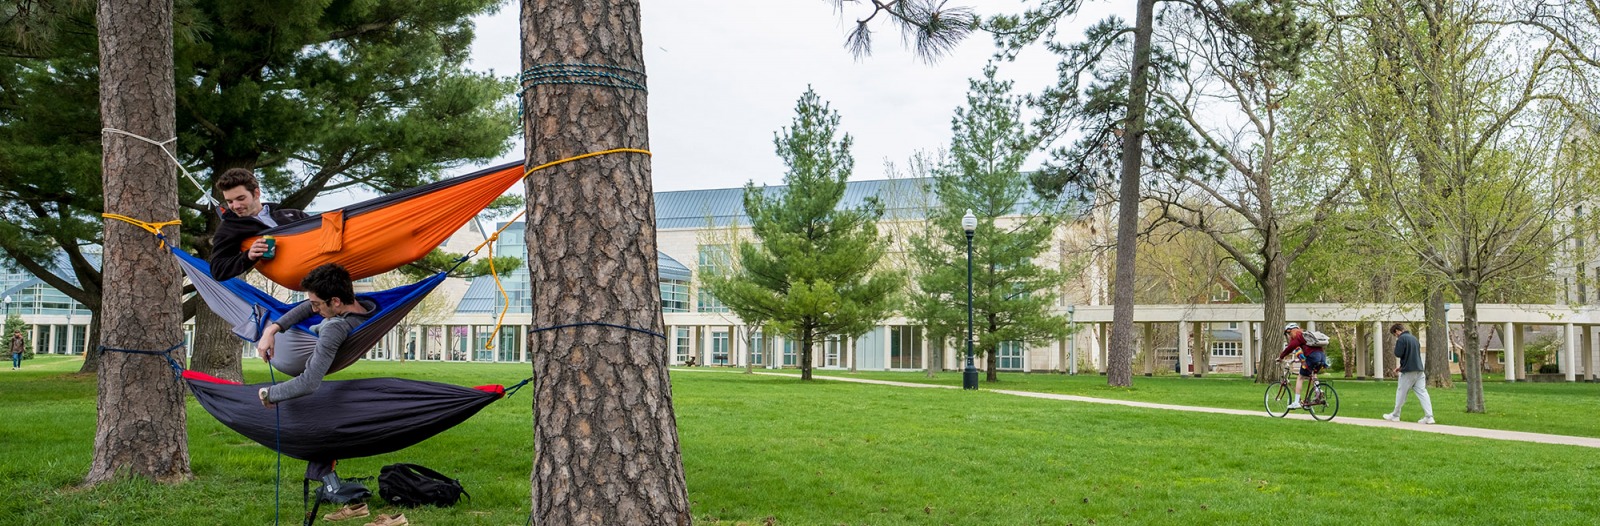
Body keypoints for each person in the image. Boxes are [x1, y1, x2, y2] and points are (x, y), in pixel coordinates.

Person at [255, 263, 373, 408]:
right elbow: (307, 307)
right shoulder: (366, 306)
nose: (314, 310)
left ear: (335, 301)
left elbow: (309, 383)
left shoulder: (334, 329)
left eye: (316, 304)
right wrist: (271, 330)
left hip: (300, 356)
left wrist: (270, 394)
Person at [209, 168, 309, 281]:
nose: (235, 206)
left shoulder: (291, 213)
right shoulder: (229, 228)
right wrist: (248, 256)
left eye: (240, 198)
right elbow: (218, 270)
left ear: (256, 193)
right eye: (230, 202)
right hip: (292, 276)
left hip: (319, 264)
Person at [1384, 323, 1436, 424]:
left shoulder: (1401, 339)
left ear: (1397, 331)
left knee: (1401, 393)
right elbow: (1412, 356)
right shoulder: (1414, 339)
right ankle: (1429, 417)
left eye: (1395, 334)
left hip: (1408, 372)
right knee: (1422, 392)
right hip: (1419, 370)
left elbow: (1398, 353)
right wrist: (1401, 367)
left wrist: (1403, 366)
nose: (1396, 336)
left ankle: (1395, 415)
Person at [1277, 322, 1327, 410]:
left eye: (1288, 333)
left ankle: (1296, 402)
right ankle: (1317, 392)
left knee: (1300, 377)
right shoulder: (1305, 335)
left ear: (1291, 331)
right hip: (1322, 357)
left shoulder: (1298, 336)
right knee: (1313, 375)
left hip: (1312, 357)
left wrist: (1281, 357)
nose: (1288, 336)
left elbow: (1289, 348)